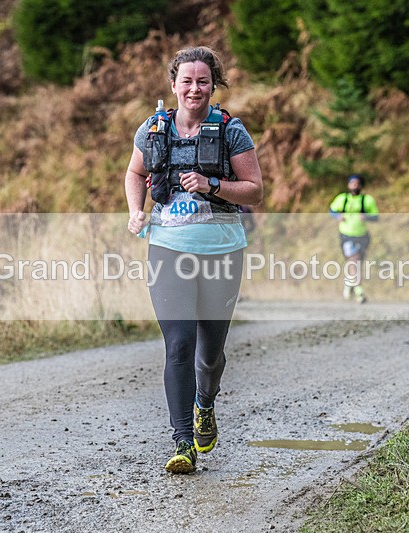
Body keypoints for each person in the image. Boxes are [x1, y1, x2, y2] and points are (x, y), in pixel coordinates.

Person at [124, 46, 263, 474]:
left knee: (210, 355)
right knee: (179, 344)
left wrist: (211, 183)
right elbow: (134, 173)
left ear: (213, 85)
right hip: (168, 248)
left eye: (203, 81)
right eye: (186, 81)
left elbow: (254, 189)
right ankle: (183, 441)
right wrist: (135, 210)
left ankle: (206, 403)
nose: (194, 89)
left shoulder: (231, 131)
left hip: (222, 252)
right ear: (173, 85)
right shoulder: (153, 129)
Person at [329, 174, 379, 303]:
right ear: (348, 185)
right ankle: (359, 290)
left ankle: (349, 283)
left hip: (362, 235)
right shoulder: (342, 199)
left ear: (361, 185)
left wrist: (366, 217)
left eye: (357, 183)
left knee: (358, 262)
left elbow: (376, 216)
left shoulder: (367, 200)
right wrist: (337, 217)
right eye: (352, 183)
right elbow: (332, 210)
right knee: (353, 260)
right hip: (346, 234)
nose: (354, 186)